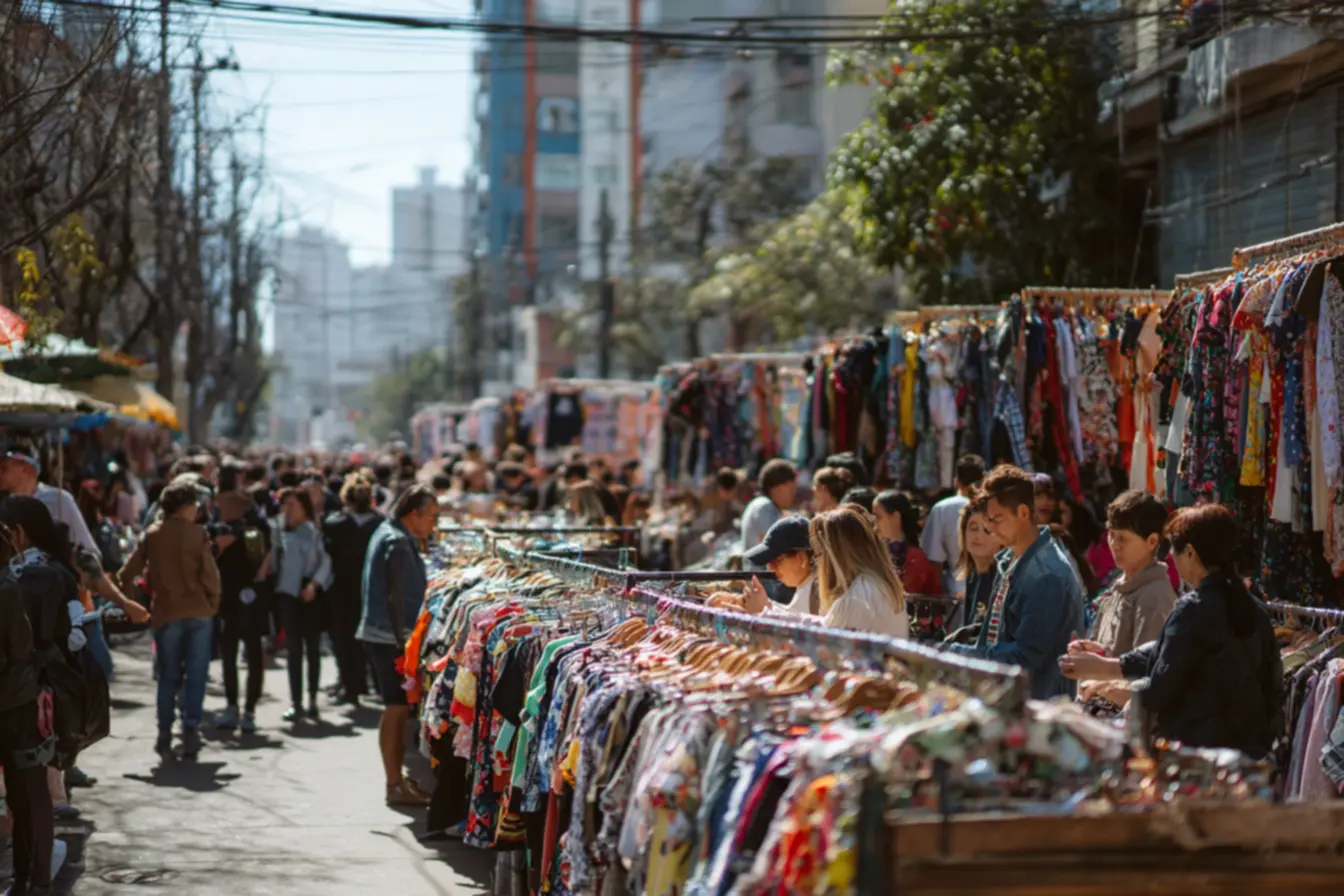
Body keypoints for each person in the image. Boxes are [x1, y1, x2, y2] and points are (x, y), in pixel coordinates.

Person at [1060, 504, 1283, 756]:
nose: (1171, 559)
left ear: (1189, 553)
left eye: (1173, 551)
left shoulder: (1194, 608)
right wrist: (1111, 666)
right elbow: (1271, 686)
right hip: (1249, 748)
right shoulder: (1253, 609)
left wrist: (1110, 687)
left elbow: (1161, 689)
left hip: (1200, 752)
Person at [949, 465, 1084, 699]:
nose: (990, 528)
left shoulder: (1046, 575)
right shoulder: (1009, 558)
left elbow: (1026, 658)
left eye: (997, 519)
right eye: (989, 519)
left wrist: (961, 653)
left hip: (1040, 711)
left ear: (1023, 513)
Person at [117, 479, 221, 760]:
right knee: (196, 674)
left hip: (165, 612)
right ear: (186, 506)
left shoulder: (153, 535)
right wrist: (213, 603)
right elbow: (210, 575)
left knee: (168, 676)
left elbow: (127, 573)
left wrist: (129, 602)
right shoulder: (197, 534)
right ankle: (190, 731)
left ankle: (164, 732)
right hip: (198, 611)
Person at [358, 485, 439, 807]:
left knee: (397, 707)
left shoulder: (388, 533)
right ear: (413, 514)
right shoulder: (397, 542)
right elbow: (394, 596)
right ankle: (393, 783)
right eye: (431, 516)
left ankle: (395, 780)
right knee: (396, 708)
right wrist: (403, 640)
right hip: (389, 638)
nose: (434, 524)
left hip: (384, 634)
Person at [1072, 490, 1179, 712]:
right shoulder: (1120, 583)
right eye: (1112, 535)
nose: (1114, 545)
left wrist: (1102, 685)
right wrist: (1096, 653)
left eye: (1123, 538)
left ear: (1152, 541)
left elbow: (1146, 680)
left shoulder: (1154, 597)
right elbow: (1119, 655)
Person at [732, 508, 908, 638]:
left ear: (835, 556)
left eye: (819, 554)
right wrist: (766, 609)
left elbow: (822, 647)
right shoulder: (874, 586)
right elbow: (822, 625)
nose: (817, 562)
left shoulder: (856, 598)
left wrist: (764, 613)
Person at [0, 526, 55, 896]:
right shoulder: (10, 586)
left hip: (15, 701)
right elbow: (20, 649)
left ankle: (29, 877)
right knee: (27, 791)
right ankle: (32, 878)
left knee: (25, 793)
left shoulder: (9, 588)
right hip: (16, 700)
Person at [271, 487, 333, 723]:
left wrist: (314, 585)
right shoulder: (280, 532)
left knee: (312, 650)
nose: (288, 510)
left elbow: (325, 562)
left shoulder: (314, 533)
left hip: (310, 596)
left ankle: (313, 701)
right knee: (294, 651)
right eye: (285, 505)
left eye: (293, 505)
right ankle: (296, 703)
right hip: (287, 596)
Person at [213, 489, 270, 734]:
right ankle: (240, 709)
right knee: (239, 657)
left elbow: (266, 562)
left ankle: (243, 709)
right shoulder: (222, 531)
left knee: (240, 657)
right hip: (240, 602)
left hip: (242, 601)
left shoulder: (251, 532)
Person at [323, 474, 383, 709]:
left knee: (343, 639)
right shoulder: (379, 525)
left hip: (340, 590)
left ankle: (351, 686)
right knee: (369, 639)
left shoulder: (334, 523)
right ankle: (374, 684)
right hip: (370, 589)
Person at [716, 516, 816, 614]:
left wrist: (763, 610)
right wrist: (742, 602)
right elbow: (795, 616)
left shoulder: (818, 590)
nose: (771, 568)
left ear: (801, 558)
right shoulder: (807, 585)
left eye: (777, 560)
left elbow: (803, 625)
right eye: (769, 562)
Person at [919, 454, 984, 595]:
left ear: (956, 480)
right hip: (990, 589)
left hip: (956, 591)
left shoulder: (943, 508)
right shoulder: (993, 506)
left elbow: (934, 559)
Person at [872, 491, 941, 595]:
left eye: (879, 517)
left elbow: (906, 593)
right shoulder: (878, 551)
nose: (875, 525)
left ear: (895, 517)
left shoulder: (915, 557)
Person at [950, 496, 1001, 633]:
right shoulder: (972, 576)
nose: (978, 537)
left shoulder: (1001, 578)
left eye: (987, 531)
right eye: (973, 528)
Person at [740, 459, 798, 550]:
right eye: (792, 489)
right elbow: (771, 547)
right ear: (779, 488)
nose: (794, 494)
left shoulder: (768, 507)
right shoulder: (763, 506)